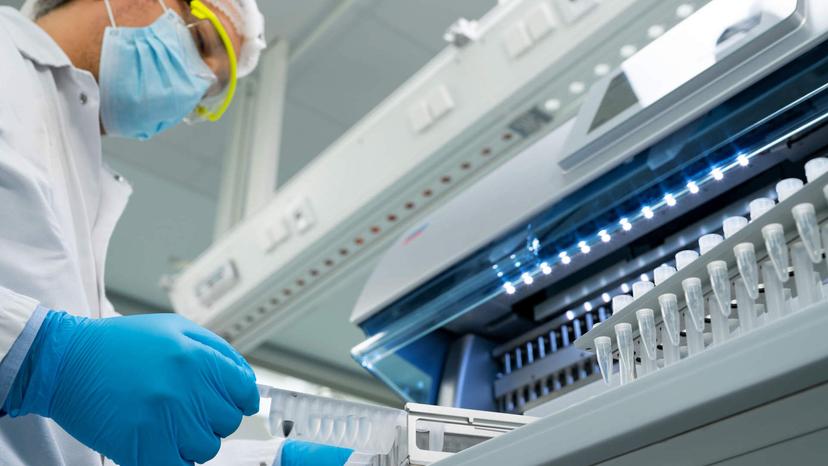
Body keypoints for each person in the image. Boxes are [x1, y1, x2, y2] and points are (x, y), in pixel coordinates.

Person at [0, 0, 270, 464]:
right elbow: (55, 360)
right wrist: (36, 354)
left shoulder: (78, 169)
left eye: (211, 90)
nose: (199, 80)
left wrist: (266, 459)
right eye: (202, 40)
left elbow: (100, 429)